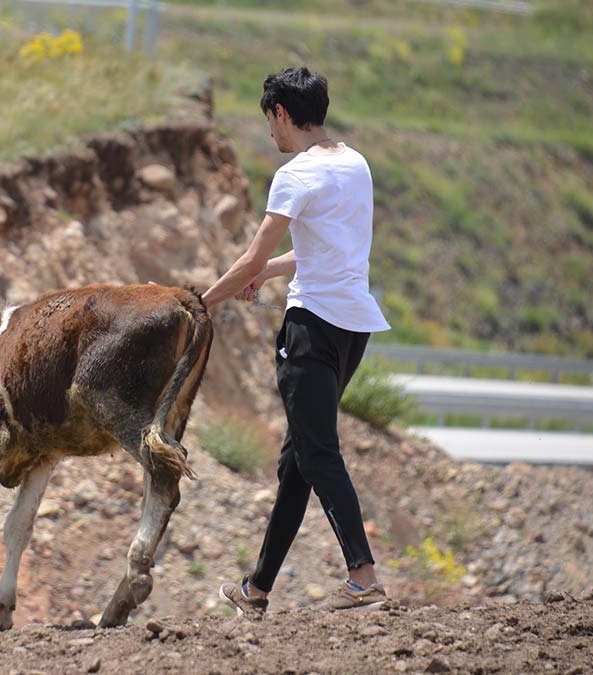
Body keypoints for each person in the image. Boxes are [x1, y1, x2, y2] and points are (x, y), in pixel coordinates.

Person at [202, 66, 391, 617]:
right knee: (297, 460)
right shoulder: (355, 164)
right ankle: (256, 590)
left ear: (281, 113)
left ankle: (363, 577)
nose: (270, 135)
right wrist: (267, 275)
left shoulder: (295, 175)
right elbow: (324, 252)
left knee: (318, 453)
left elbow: (251, 257)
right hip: (353, 330)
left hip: (310, 329)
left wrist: (199, 302)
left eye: (270, 122)